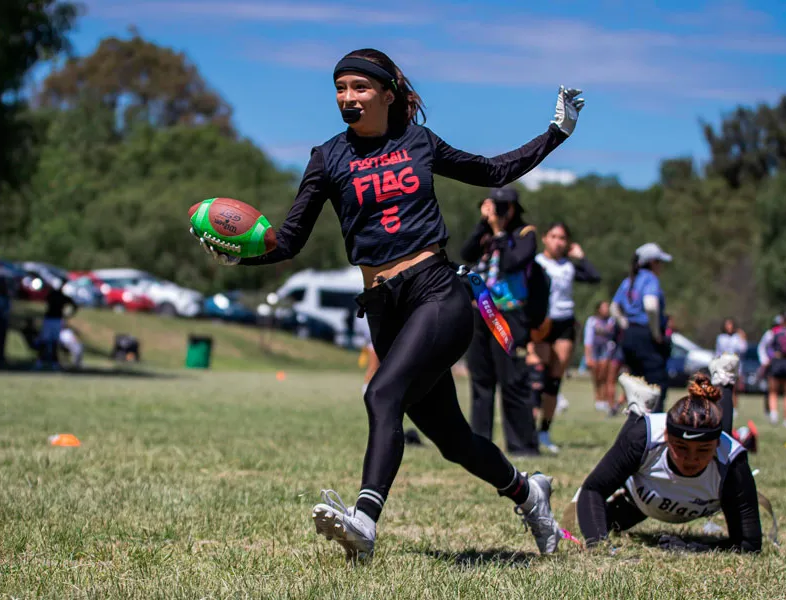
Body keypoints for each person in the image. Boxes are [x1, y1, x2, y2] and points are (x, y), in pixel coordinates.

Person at [192, 48, 585, 561]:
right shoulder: (327, 157)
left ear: (386, 93)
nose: (347, 98)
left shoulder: (418, 142)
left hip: (437, 292)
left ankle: (364, 521)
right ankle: (529, 493)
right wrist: (238, 258)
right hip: (382, 306)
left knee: (382, 394)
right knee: (453, 440)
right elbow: (286, 241)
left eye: (359, 87)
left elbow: (493, 171)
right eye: (340, 88)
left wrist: (557, 132)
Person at [574, 371, 762, 553]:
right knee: (605, 523)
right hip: (641, 498)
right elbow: (592, 490)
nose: (691, 458)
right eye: (681, 447)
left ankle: (724, 379)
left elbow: (749, 544)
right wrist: (599, 548)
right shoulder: (644, 439)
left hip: (664, 494)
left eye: (703, 450)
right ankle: (637, 411)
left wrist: (693, 548)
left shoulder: (732, 462)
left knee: (724, 439)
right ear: (666, 436)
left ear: (715, 444)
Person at [461, 187, 542, 456]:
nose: (498, 211)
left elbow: (512, 264)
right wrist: (482, 224)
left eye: (503, 206)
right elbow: (467, 253)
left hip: (508, 314)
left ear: (514, 209)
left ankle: (522, 444)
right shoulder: (485, 232)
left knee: (513, 380)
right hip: (480, 311)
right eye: (494, 206)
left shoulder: (525, 234)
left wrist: (499, 232)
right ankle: (478, 442)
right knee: (481, 379)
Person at [528, 222, 600, 453]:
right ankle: (528, 431)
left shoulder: (569, 266)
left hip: (564, 323)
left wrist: (581, 256)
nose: (558, 241)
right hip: (540, 322)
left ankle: (544, 431)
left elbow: (593, 276)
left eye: (562, 238)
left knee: (553, 381)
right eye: (554, 236)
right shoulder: (536, 263)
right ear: (545, 238)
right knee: (536, 378)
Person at [610, 242, 673, 413]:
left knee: (637, 384)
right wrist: (656, 334)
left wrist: (626, 325)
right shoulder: (650, 279)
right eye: (659, 262)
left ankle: (637, 424)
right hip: (647, 335)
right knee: (656, 385)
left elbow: (614, 308)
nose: (661, 267)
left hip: (630, 335)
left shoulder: (630, 280)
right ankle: (655, 426)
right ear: (652, 262)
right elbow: (651, 305)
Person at [36, 279, 77, 370]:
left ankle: (54, 362)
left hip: (57, 320)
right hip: (49, 320)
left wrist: (69, 314)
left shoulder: (62, 296)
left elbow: (74, 305)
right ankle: (40, 361)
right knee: (45, 341)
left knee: (54, 342)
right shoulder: (52, 294)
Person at [583, 301, 616, 414]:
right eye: (604, 307)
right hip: (595, 350)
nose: (606, 309)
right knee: (596, 375)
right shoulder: (592, 321)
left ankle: (605, 399)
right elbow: (588, 339)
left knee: (604, 374)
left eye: (607, 307)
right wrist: (588, 356)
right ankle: (598, 399)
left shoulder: (611, 321)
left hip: (606, 350)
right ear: (598, 309)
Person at [767, 313, 786, 428]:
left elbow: (770, 348)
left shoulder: (777, 333)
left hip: (777, 363)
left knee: (773, 391)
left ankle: (774, 413)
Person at [715, 317, 747, 419]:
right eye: (727, 325)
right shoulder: (721, 338)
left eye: (731, 325)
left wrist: (743, 337)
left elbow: (743, 349)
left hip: (735, 365)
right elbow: (718, 352)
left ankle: (734, 409)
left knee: (734, 389)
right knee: (722, 389)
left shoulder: (737, 338)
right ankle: (721, 407)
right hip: (723, 365)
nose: (729, 327)